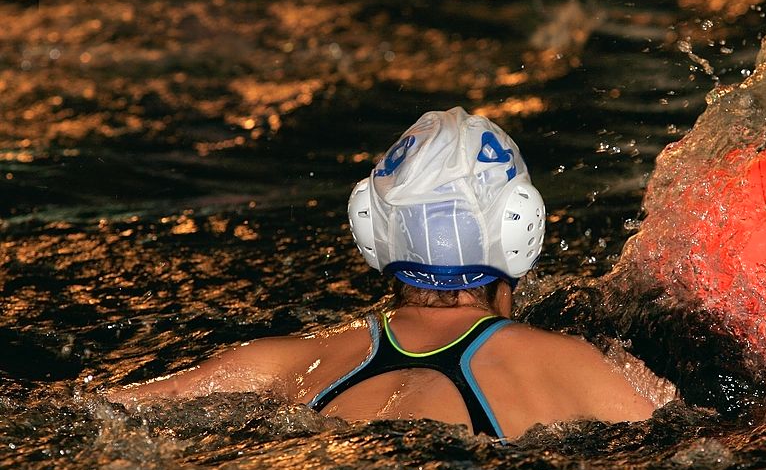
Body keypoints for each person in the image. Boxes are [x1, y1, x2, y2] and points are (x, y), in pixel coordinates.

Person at [108, 108, 656, 441]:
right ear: (521, 229)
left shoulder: (278, 361)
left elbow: (104, 411)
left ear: (371, 227)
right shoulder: (583, 369)